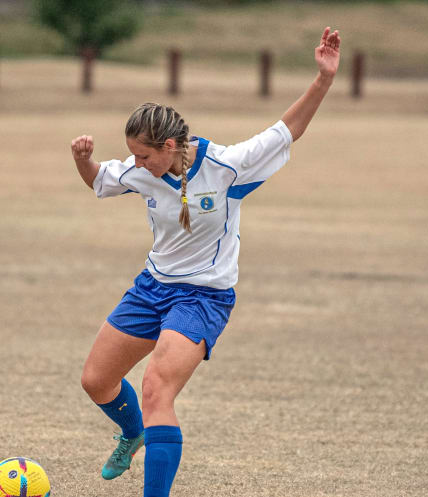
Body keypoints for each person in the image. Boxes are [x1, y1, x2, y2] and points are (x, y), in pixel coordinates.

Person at [70, 28, 340, 497]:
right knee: (96, 381)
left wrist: (322, 79)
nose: (136, 164)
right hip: (151, 287)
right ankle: (132, 434)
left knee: (156, 389)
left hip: (203, 296)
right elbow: (99, 181)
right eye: (132, 155)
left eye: (144, 155)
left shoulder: (227, 166)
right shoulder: (141, 172)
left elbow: (287, 130)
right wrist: (84, 160)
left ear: (171, 147)